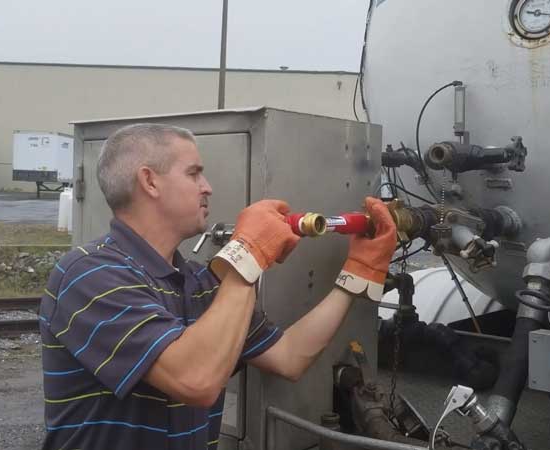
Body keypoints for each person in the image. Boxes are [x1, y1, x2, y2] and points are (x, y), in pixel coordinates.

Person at [39, 123, 396, 449]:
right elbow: (195, 380)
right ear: (149, 181)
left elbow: (290, 357)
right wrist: (249, 255)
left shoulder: (201, 284)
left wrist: (357, 273)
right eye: (194, 173)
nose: (207, 187)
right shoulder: (88, 274)